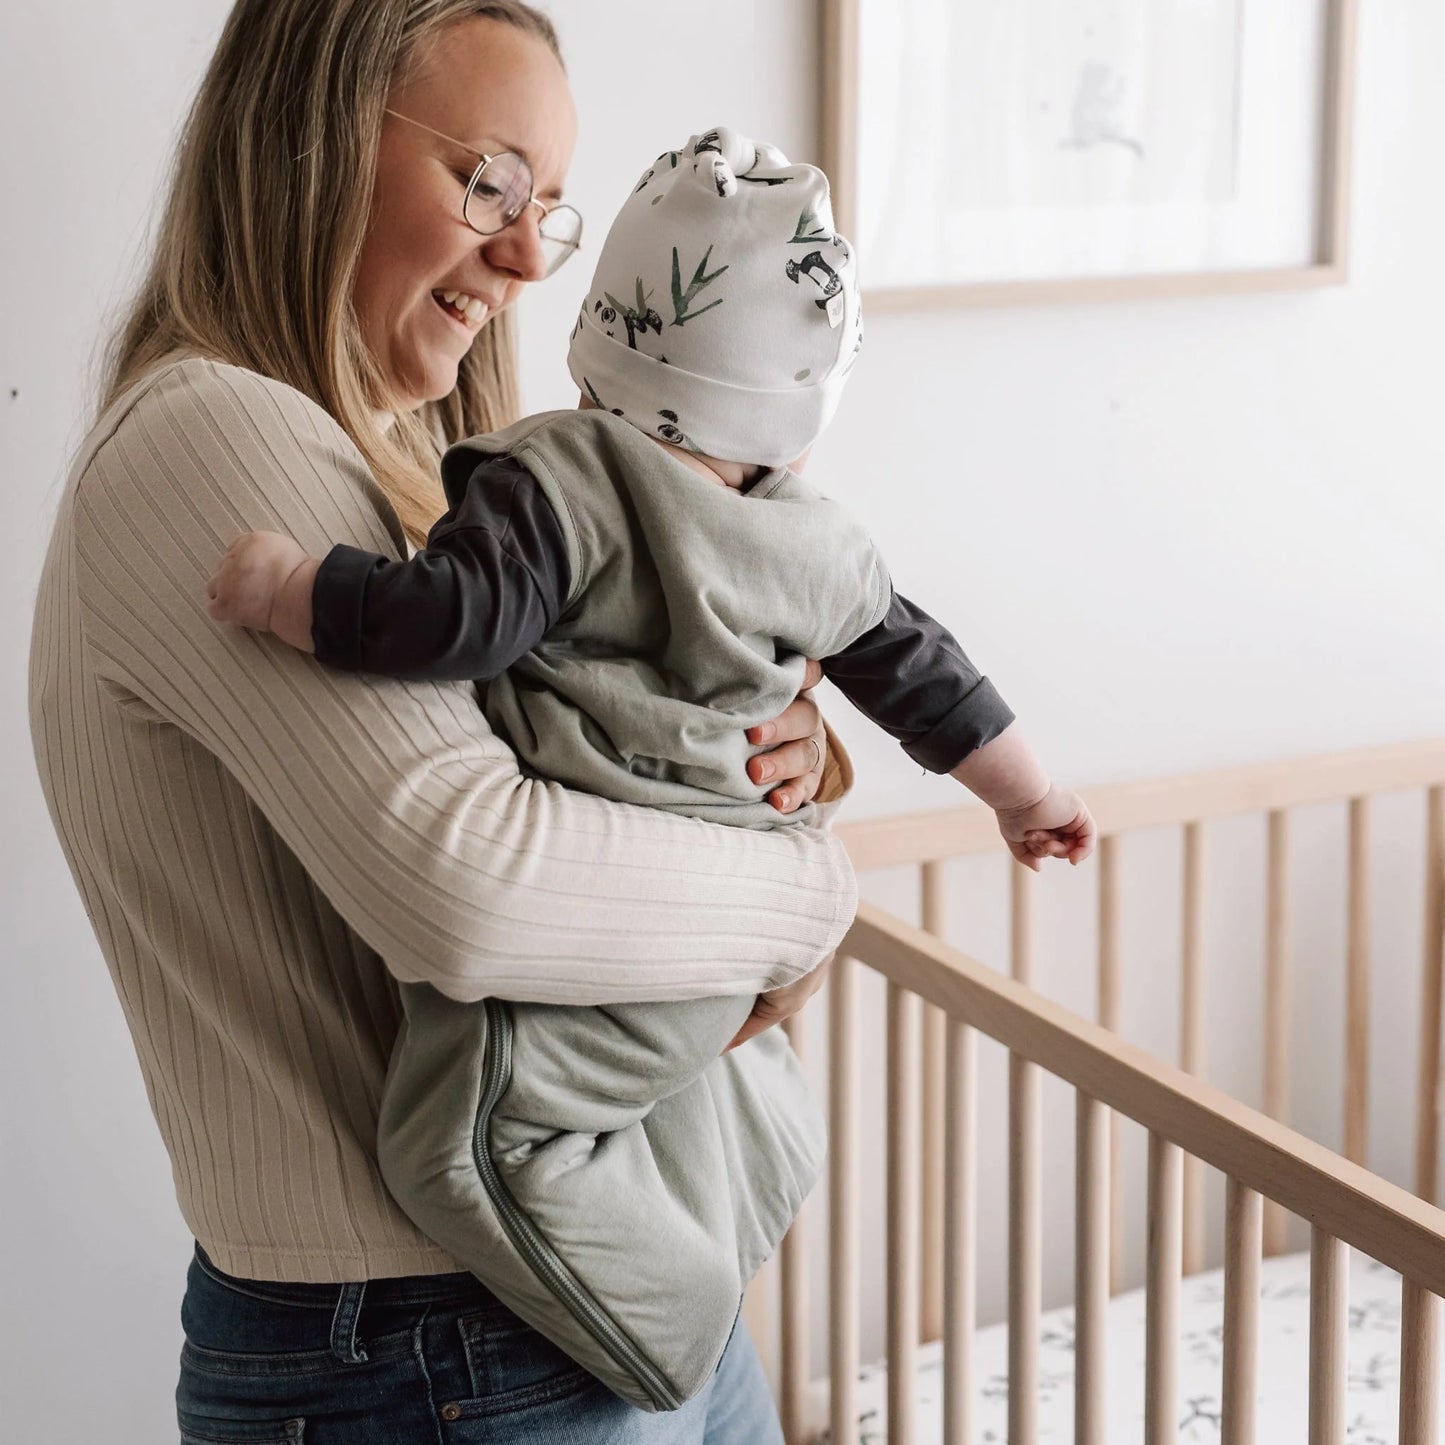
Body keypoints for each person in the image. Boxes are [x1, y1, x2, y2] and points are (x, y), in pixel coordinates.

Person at [27, 5, 862, 1442]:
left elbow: (579, 795)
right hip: (431, 1346)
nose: (531, 255)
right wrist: (806, 893)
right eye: (486, 183)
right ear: (310, 140)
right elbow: (473, 887)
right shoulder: (217, 432)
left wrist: (779, 759)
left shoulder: (403, 468)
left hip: (572, 1292)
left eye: (547, 206)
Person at [201, 126, 1098, 1408]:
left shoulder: (562, 475)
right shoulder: (815, 540)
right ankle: (723, 1266)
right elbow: (931, 679)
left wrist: (301, 590)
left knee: (467, 1136)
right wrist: (1030, 798)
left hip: (604, 926)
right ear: (797, 404)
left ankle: (661, 1338)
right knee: (690, 1100)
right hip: (721, 940)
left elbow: (453, 621)